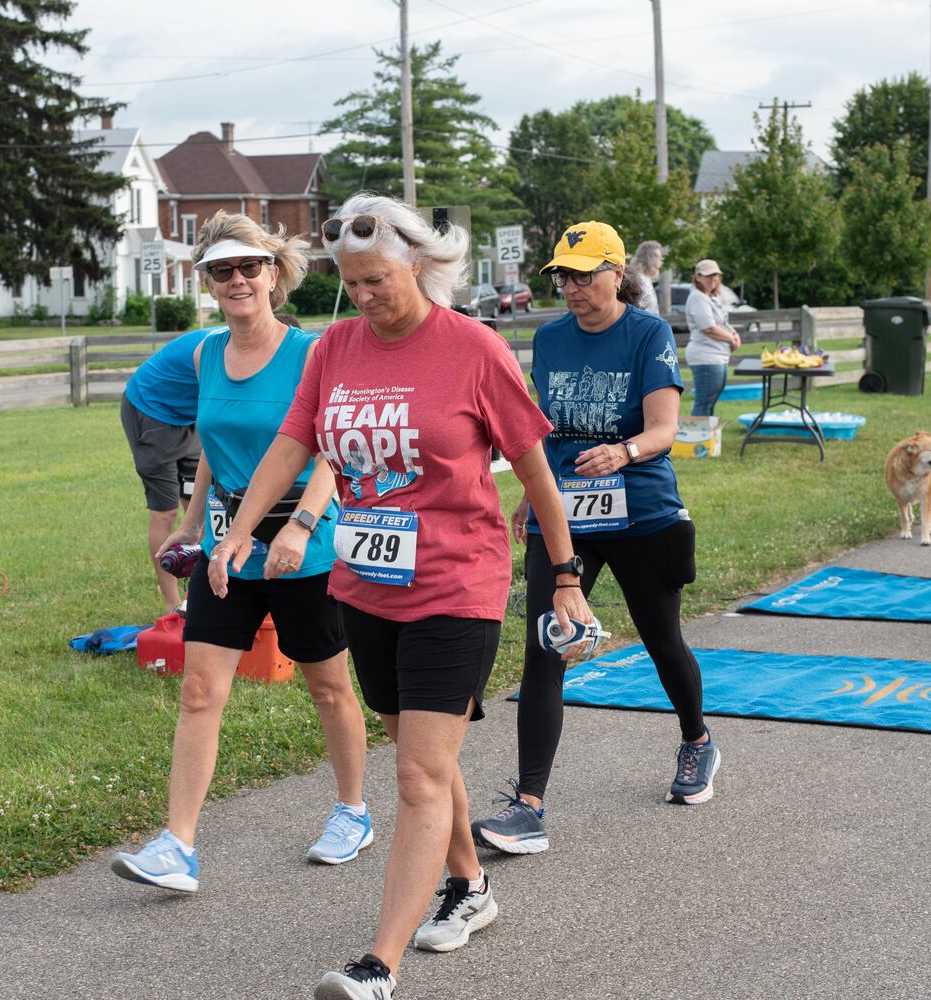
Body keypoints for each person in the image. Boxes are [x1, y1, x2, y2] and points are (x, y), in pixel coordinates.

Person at [209, 194, 592, 1000]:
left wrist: (564, 578)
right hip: (367, 586)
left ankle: (376, 966)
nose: (364, 297)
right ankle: (472, 888)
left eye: (376, 279)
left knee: (418, 774)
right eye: (350, 283)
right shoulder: (336, 348)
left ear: (417, 263)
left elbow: (535, 475)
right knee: (425, 759)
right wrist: (239, 528)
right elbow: (296, 441)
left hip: (459, 582)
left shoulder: (474, 349)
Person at [111, 211, 371, 893]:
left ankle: (353, 811)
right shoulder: (204, 354)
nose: (237, 280)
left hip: (302, 545)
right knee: (199, 691)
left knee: (329, 686)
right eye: (222, 270)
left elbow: (329, 452)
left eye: (249, 266)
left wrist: (303, 525)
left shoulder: (313, 353)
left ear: (274, 272)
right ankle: (178, 845)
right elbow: (215, 455)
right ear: (207, 280)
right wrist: (191, 524)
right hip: (229, 549)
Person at [470, 220, 717, 860]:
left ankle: (696, 740)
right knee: (545, 646)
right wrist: (534, 488)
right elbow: (544, 431)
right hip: (567, 513)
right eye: (563, 277)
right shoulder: (550, 340)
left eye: (585, 275)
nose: (573, 289)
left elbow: (666, 427)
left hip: (642, 510)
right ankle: (528, 805)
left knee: (661, 637)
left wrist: (624, 451)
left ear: (617, 275)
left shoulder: (648, 332)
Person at [121, 325, 210, 613]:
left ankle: (201, 598)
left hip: (188, 418)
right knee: (166, 511)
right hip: (152, 412)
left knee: (199, 508)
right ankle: (173, 605)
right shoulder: (217, 348)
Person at [684, 258, 741, 417]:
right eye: (708, 275)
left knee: (709, 401)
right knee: (704, 402)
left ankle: (706, 438)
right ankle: (697, 439)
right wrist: (731, 339)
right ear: (698, 277)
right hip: (706, 357)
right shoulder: (697, 297)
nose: (713, 279)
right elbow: (708, 327)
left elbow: (723, 322)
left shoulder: (710, 297)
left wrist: (734, 334)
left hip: (716, 356)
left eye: (715, 275)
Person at [625, 239, 663, 313]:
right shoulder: (639, 281)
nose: (660, 263)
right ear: (650, 259)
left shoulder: (645, 279)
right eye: (658, 258)